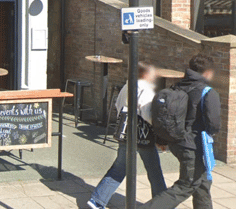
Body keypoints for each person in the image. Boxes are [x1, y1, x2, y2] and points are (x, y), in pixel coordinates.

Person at [140, 54, 221, 209]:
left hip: (177, 142)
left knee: (202, 182)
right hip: (194, 146)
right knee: (187, 185)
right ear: (208, 72)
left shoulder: (178, 86)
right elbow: (214, 124)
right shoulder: (208, 92)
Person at [88, 62, 166, 209]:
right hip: (143, 136)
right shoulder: (145, 89)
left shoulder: (127, 86)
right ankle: (163, 204)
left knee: (119, 168)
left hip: (126, 133)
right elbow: (148, 113)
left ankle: (97, 200)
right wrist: (159, 132)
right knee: (154, 170)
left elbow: (118, 106)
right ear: (145, 74)